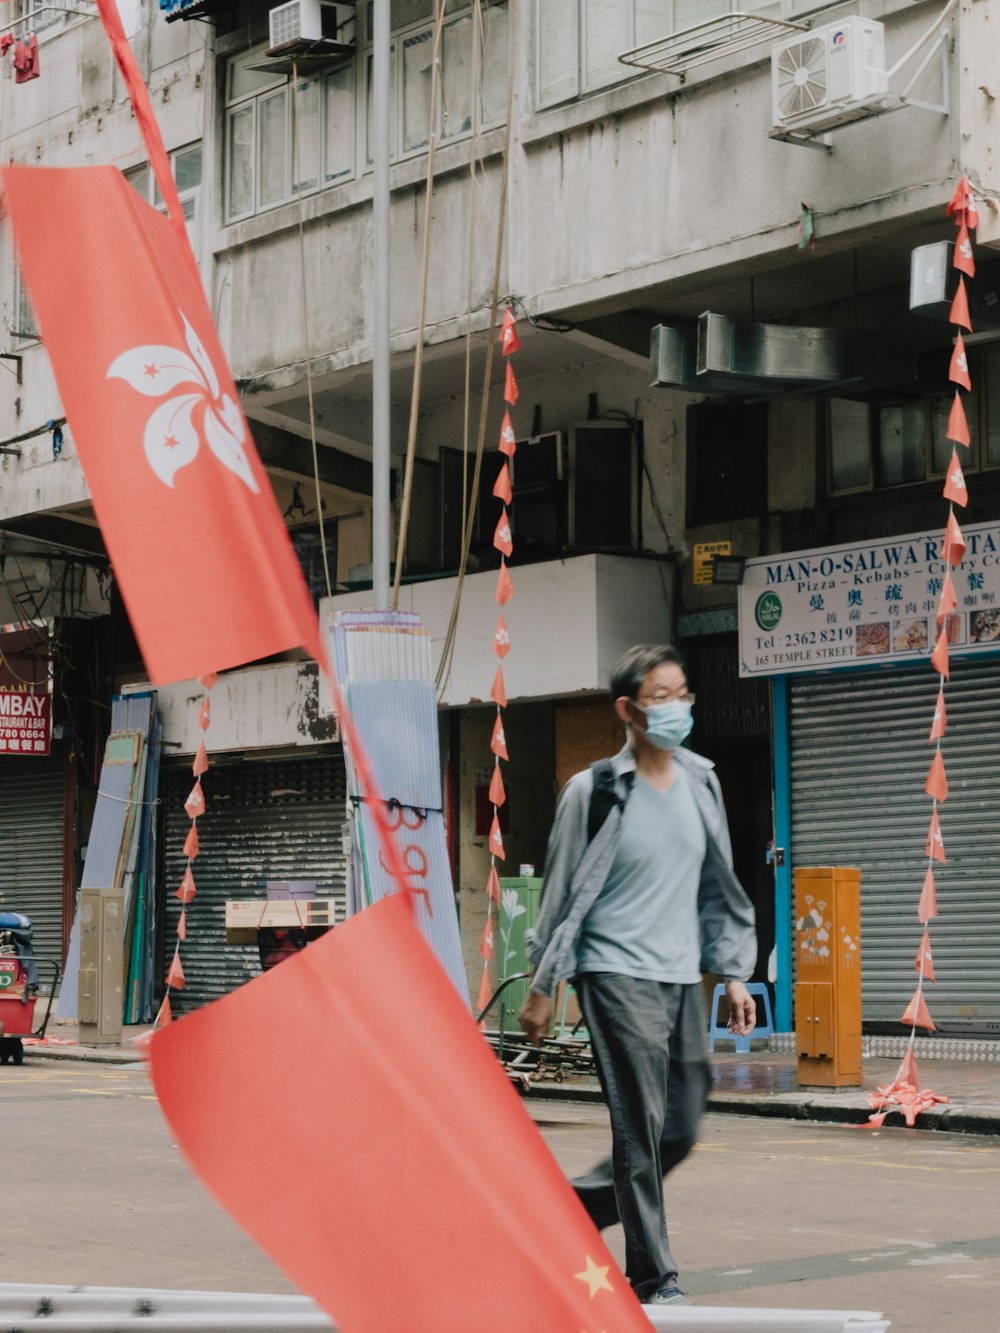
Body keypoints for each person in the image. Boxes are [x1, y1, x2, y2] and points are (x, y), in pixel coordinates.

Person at [519, 643, 757, 1307]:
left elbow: (720, 885)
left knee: (679, 1125)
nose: (677, 706)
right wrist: (544, 986)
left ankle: (564, 1211)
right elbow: (561, 895)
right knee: (640, 1127)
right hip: (612, 973)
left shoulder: (702, 781)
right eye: (661, 696)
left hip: (680, 975)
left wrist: (733, 973)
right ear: (628, 709)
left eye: (683, 693)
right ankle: (655, 1276)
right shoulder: (593, 791)